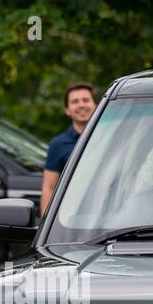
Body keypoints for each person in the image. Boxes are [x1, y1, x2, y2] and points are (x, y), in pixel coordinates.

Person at [40, 82, 96, 214]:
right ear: (67, 110)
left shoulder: (111, 139)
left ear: (96, 105)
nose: (81, 104)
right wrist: (45, 227)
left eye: (86, 100)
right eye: (75, 101)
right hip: (71, 218)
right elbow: (49, 187)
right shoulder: (58, 144)